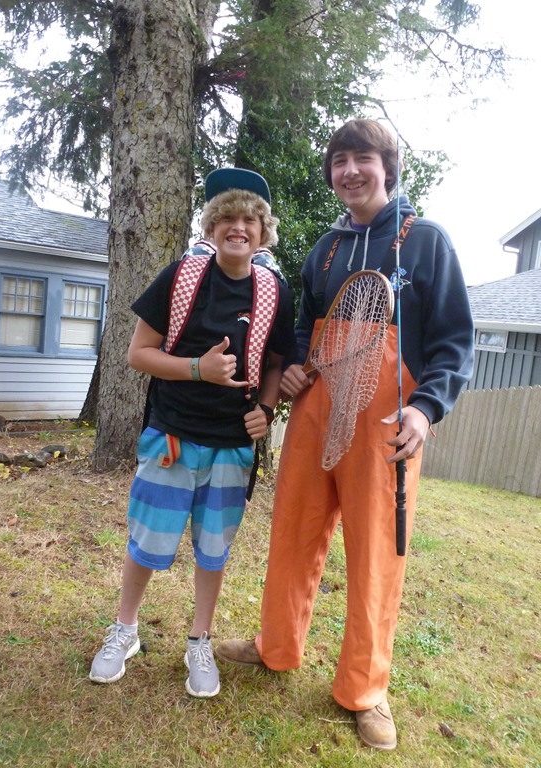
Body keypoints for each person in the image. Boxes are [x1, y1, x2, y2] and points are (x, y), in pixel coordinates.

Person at [215, 119, 474, 749]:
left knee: (377, 552)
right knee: (294, 529)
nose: (350, 171)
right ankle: (276, 645)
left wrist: (424, 410)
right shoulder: (325, 249)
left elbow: (453, 341)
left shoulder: (425, 241)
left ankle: (365, 688)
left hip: (385, 421)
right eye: (339, 161)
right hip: (315, 408)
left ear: (387, 168)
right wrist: (298, 365)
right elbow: (306, 325)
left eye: (363, 159)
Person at [89, 168, 296, 698]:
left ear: (263, 232)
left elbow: (276, 363)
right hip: (172, 435)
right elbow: (138, 354)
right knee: (147, 539)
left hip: (232, 444)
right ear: (211, 226)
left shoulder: (273, 291)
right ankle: (125, 629)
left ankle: (199, 640)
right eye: (227, 216)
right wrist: (198, 369)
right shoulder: (181, 277)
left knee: (213, 549)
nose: (238, 226)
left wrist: (265, 408)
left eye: (249, 219)